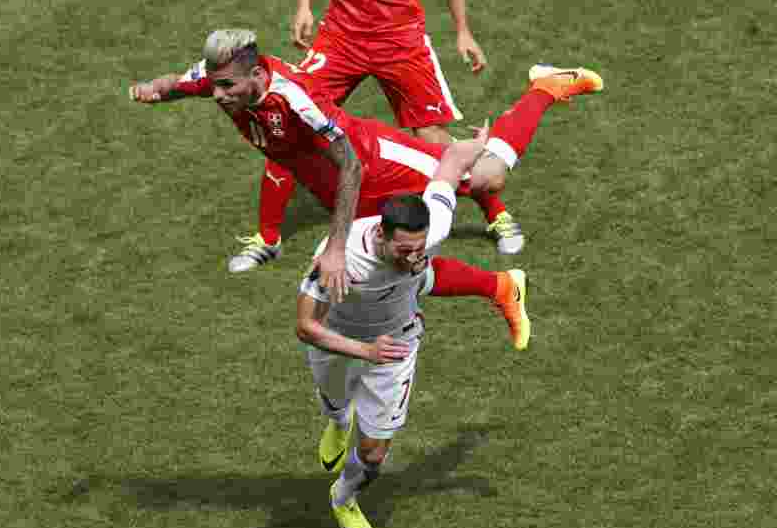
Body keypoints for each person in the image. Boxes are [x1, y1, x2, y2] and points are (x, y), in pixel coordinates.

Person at [129, 29, 602, 329]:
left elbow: (350, 164)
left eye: (227, 87)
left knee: (487, 177)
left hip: (376, 163)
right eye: (212, 85)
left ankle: (544, 88)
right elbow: (181, 82)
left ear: (254, 75)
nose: (217, 95)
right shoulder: (223, 77)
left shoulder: (294, 100)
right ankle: (501, 288)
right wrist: (156, 89)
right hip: (344, 192)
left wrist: (335, 246)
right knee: (396, 269)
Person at [224, 0, 515, 273]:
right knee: (286, 126)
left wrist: (463, 30)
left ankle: (496, 213)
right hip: (341, 38)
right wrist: (305, 2)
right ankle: (267, 239)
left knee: (432, 134)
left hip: (401, 40)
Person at [295, 126, 505, 528]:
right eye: (405, 251)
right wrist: (363, 350)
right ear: (379, 235)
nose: (415, 259)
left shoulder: (431, 228)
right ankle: (338, 421)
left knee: (374, 454)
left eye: (421, 249)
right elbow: (306, 327)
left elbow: (449, 165)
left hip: (395, 344)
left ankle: (343, 498)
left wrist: (481, 144)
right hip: (339, 342)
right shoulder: (341, 262)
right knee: (336, 404)